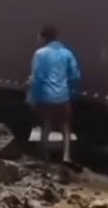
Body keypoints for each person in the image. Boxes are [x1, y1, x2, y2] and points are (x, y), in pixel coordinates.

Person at [27, 26, 80, 164]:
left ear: (44, 38)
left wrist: (33, 96)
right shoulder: (67, 53)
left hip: (46, 97)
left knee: (46, 125)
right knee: (65, 127)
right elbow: (75, 75)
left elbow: (36, 78)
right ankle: (66, 157)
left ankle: (45, 157)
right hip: (63, 97)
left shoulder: (40, 54)